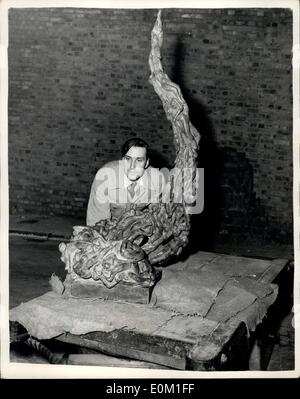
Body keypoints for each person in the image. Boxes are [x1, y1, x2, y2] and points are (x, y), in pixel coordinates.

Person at [86, 138, 166, 226]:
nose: (132, 166)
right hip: (110, 228)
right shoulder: (105, 177)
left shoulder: (157, 180)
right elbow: (97, 222)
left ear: (146, 163)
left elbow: (158, 217)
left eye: (139, 160)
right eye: (128, 159)